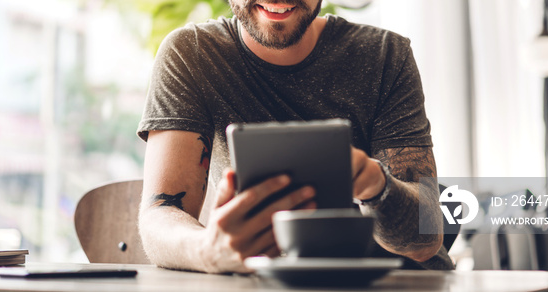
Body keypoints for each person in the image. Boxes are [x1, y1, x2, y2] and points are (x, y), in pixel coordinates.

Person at [137, 0, 453, 273]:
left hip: (400, 282)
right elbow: (159, 214)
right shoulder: (191, 54)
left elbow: (426, 241)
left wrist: (375, 184)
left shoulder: (385, 55)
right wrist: (206, 249)